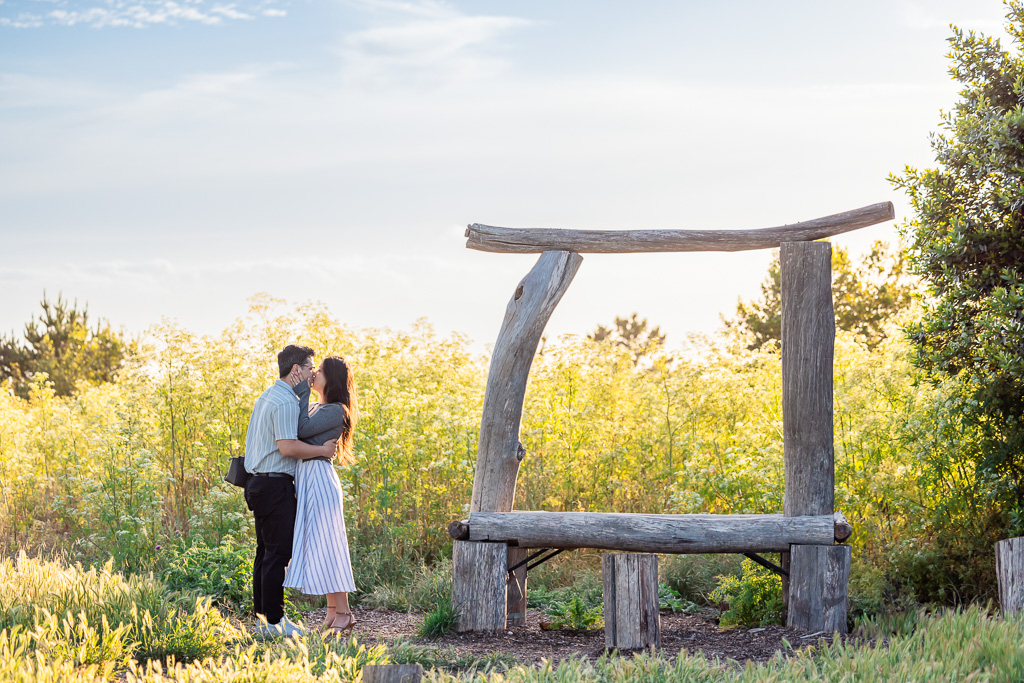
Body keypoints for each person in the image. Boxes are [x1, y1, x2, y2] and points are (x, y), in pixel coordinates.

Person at [244, 344, 337, 638]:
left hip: (258, 482)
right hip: (275, 485)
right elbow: (288, 446)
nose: (312, 375)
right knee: (278, 554)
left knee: (265, 553)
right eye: (310, 369)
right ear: (296, 369)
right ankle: (274, 621)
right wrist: (321, 449)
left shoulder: (267, 395)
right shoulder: (284, 401)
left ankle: (263, 620)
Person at [283, 355, 360, 632]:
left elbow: (301, 430)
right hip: (309, 478)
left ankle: (342, 612)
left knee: (328, 546)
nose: (314, 372)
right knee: (322, 545)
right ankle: (335, 611)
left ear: (333, 378)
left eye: (321, 370)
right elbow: (296, 430)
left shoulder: (336, 410)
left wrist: (302, 388)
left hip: (318, 479)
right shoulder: (319, 407)